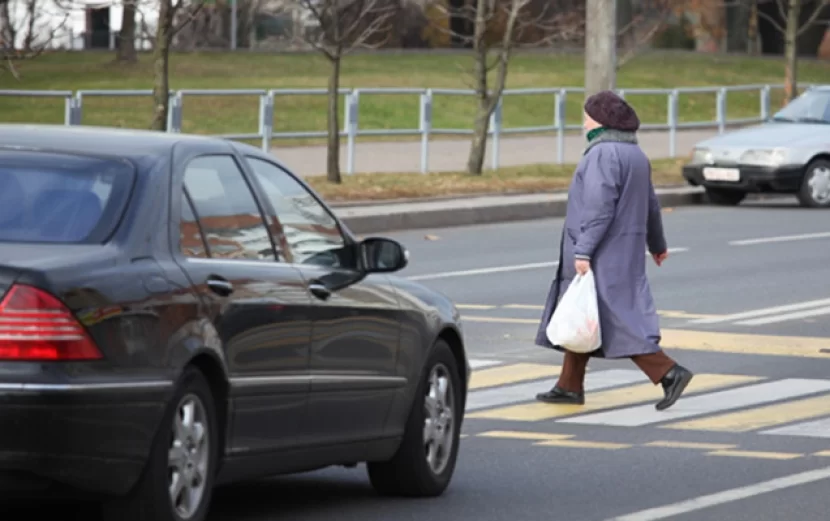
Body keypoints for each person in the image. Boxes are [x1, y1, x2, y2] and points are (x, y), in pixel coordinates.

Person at [534, 90, 693, 411]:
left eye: (587, 116)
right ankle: (568, 386)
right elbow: (650, 205)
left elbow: (598, 207)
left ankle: (668, 372)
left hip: (602, 251)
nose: (583, 122)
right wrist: (657, 244)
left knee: (611, 317)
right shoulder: (635, 154)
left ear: (600, 121)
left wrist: (583, 251)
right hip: (625, 250)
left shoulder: (602, 154)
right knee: (585, 313)